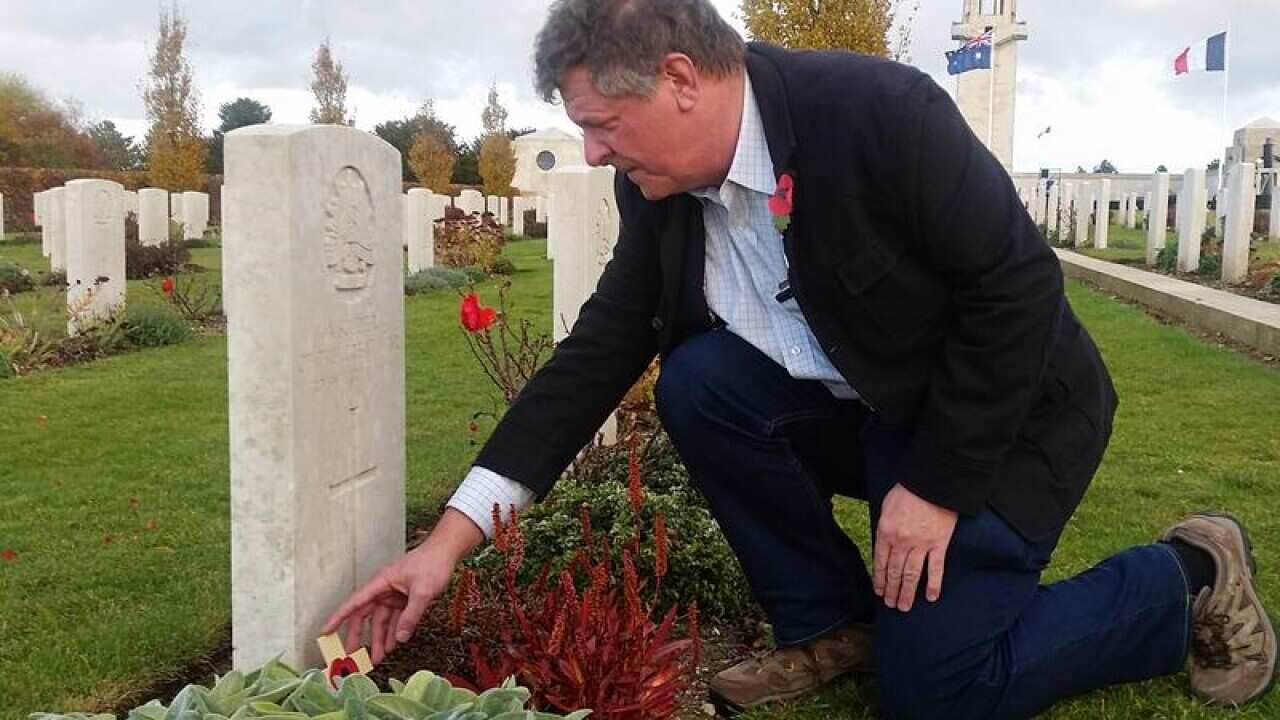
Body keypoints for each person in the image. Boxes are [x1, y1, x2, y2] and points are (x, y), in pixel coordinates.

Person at [324, 1, 1277, 717]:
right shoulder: (657, 196)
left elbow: (1018, 290)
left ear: (681, 77)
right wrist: (445, 545)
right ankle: (832, 624)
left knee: (938, 693)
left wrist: (938, 486)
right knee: (699, 385)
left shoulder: (877, 114)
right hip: (869, 410)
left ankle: (1188, 575)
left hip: (1005, 417)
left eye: (603, 125)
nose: (594, 151)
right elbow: (599, 352)